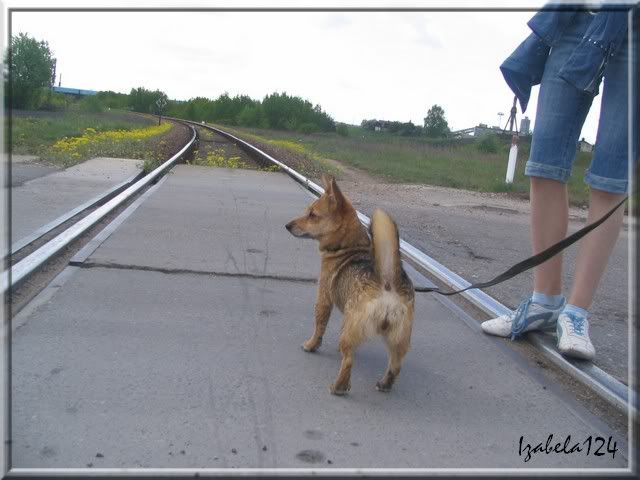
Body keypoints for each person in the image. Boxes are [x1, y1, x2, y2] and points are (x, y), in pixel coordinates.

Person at [480, 6, 633, 361]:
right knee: (544, 163)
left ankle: (576, 313)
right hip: (576, 17)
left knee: (610, 176)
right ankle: (545, 302)